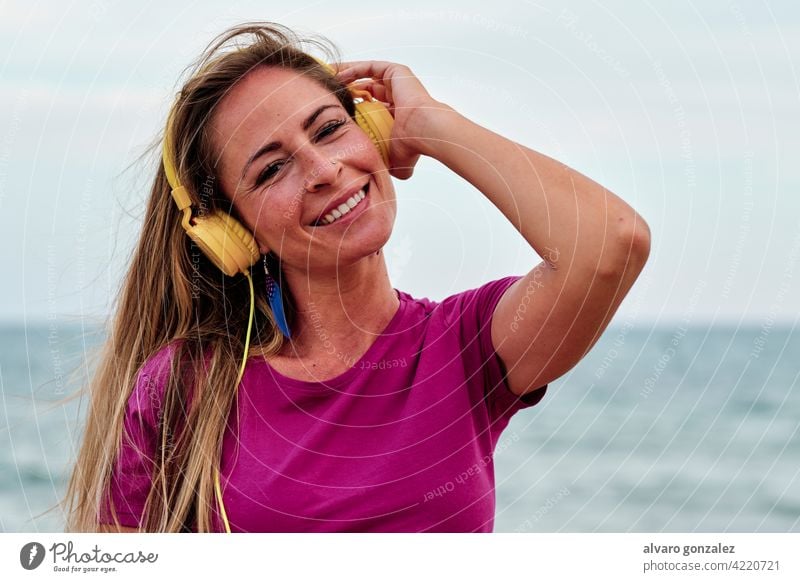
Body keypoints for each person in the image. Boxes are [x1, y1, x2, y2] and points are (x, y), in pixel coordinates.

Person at [63, 21, 650, 533]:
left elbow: (611, 244)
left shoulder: (461, 349)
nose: (323, 169)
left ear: (370, 128)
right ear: (231, 233)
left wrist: (432, 125)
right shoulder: (184, 387)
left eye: (328, 129)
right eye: (272, 169)